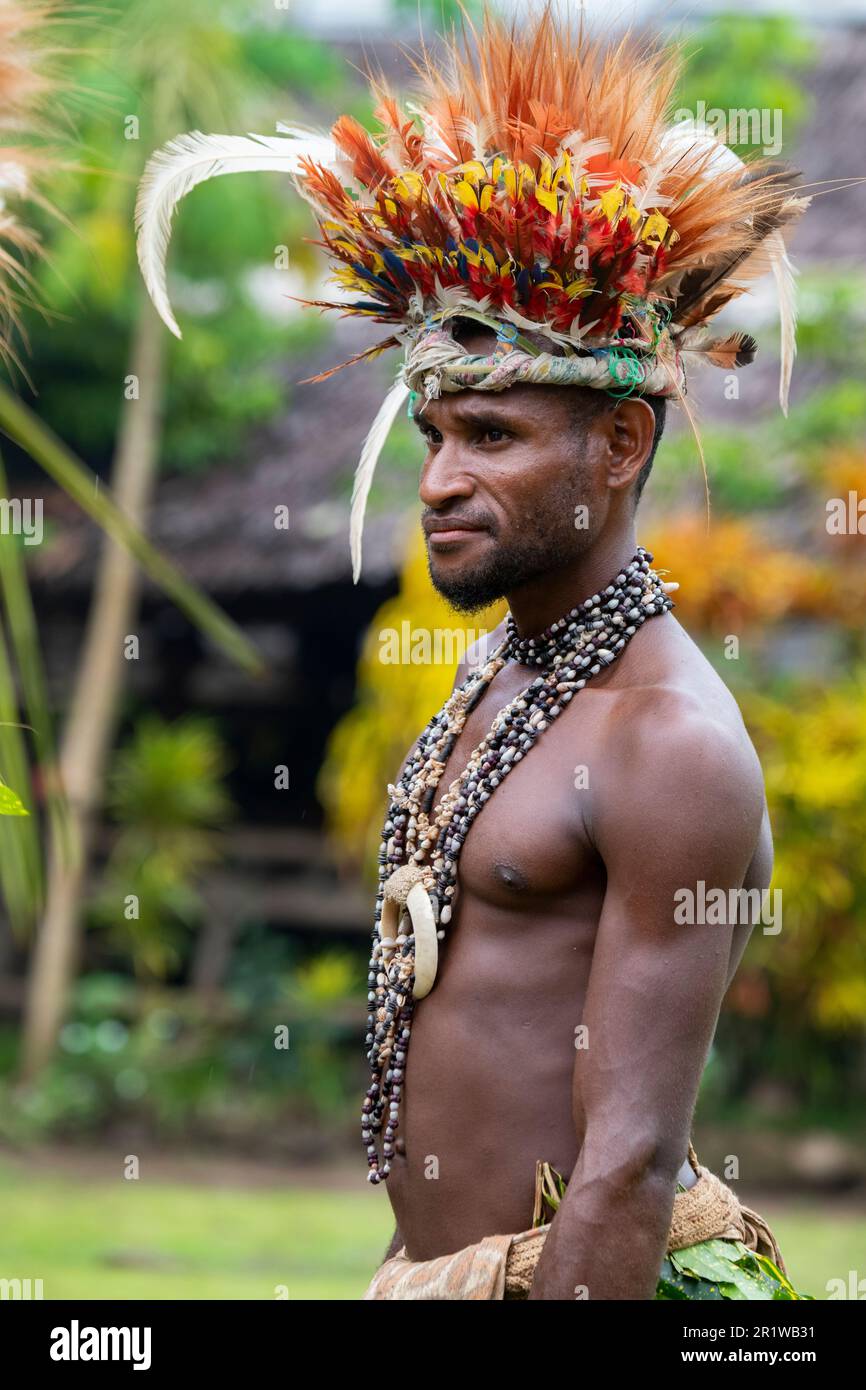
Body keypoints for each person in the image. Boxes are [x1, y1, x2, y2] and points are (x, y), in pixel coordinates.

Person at [135, 5, 812, 1299]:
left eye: (492, 436)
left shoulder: (663, 742)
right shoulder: (505, 674)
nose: (440, 478)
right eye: (435, 434)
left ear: (617, 446)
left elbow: (623, 1163)